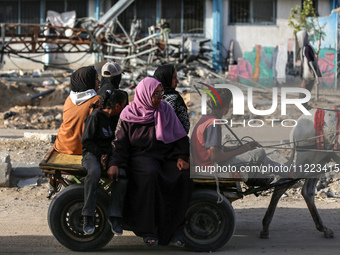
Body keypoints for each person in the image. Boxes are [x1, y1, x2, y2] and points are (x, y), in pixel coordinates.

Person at [107, 77, 192, 247]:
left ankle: (175, 230)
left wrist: (182, 157)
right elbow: (120, 144)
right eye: (156, 94)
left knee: (183, 176)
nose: (161, 97)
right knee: (150, 175)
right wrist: (114, 162)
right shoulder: (128, 114)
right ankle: (149, 230)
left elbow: (181, 137)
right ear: (145, 94)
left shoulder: (166, 110)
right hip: (141, 157)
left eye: (161, 93)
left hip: (166, 156)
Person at [191, 89, 280, 184]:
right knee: (260, 153)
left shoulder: (205, 119)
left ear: (211, 103)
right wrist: (240, 150)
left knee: (252, 152)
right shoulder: (214, 123)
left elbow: (213, 149)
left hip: (204, 164)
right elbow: (215, 156)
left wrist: (241, 147)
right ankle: (275, 175)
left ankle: (284, 172)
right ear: (228, 106)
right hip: (213, 167)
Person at [81, 89, 128, 235]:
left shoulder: (115, 120)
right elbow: (86, 141)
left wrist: (108, 156)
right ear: (118, 106)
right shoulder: (95, 117)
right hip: (91, 154)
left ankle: (114, 216)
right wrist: (100, 154)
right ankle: (88, 216)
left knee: (122, 176)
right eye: (125, 105)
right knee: (94, 172)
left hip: (107, 156)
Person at [54, 66, 101, 155]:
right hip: (81, 149)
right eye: (96, 79)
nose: (99, 82)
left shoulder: (69, 99)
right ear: (88, 81)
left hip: (62, 145)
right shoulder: (96, 100)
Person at [153, 64, 190, 133]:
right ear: (166, 78)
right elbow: (185, 126)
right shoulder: (175, 99)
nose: (177, 81)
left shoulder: (151, 97)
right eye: (174, 78)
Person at [296, 30, 322, 109]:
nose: (298, 40)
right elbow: (308, 62)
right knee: (306, 89)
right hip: (307, 74)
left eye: (298, 38)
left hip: (309, 73)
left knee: (306, 89)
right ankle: (303, 104)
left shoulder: (306, 48)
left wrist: (315, 75)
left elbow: (311, 62)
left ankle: (303, 104)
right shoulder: (305, 48)